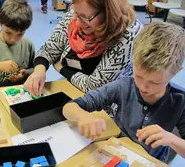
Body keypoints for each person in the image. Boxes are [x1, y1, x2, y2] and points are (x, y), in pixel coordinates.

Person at [63, 22, 185, 163]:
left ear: (175, 72)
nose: (143, 87)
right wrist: (82, 116)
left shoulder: (180, 101)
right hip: (116, 152)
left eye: (155, 82)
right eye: (138, 76)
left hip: (151, 161)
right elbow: (69, 107)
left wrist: (173, 140)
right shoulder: (124, 86)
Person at [24, 0, 142, 96]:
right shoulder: (76, 14)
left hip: (107, 101)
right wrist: (39, 70)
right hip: (73, 85)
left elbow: (94, 87)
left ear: (109, 13)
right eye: (76, 13)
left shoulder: (127, 35)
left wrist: (61, 68)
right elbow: (49, 48)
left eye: (86, 17)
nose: (78, 23)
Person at [0, 0, 35, 87]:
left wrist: (25, 73)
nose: (13, 39)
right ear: (0, 22)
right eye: (8, 32)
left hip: (21, 94)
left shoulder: (28, 44)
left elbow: (35, 68)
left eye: (20, 34)